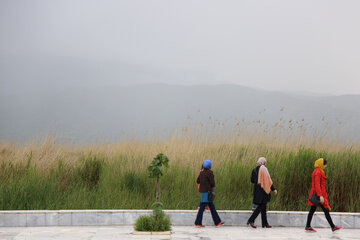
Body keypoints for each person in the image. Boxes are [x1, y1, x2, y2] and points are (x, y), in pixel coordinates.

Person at [305, 158, 343, 232]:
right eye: (325, 165)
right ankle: (333, 227)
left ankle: (308, 226)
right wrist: (320, 196)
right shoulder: (318, 172)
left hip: (317, 194)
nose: (325, 166)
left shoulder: (318, 171)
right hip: (318, 195)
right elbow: (317, 185)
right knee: (325, 210)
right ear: (322, 164)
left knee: (312, 210)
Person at [247, 157, 277, 228]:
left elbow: (252, 180)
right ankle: (251, 220)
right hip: (263, 191)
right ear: (264, 163)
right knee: (261, 207)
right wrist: (274, 189)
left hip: (257, 191)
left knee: (263, 207)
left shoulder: (254, 170)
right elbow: (268, 181)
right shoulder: (264, 169)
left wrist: (258, 180)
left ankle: (265, 223)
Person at [194, 160, 224, 227]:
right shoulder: (210, 173)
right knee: (203, 207)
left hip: (203, 192)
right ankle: (198, 223)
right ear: (209, 166)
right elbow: (212, 183)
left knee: (210, 207)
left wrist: (200, 173)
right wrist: (212, 188)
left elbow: (197, 181)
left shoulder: (201, 173)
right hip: (208, 192)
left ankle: (218, 222)